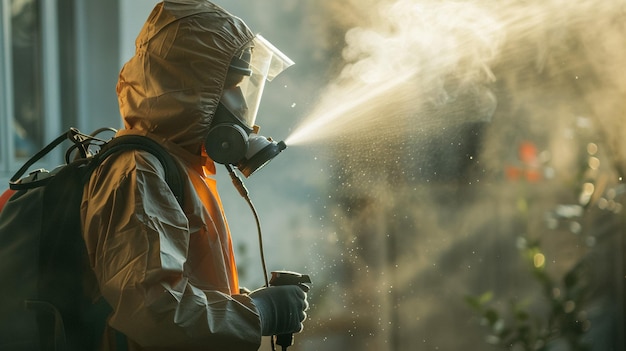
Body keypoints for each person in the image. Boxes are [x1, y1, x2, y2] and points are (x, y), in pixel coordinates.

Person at [80, 1, 308, 350]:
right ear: (188, 87)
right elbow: (156, 313)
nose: (243, 106)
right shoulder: (138, 171)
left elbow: (187, 290)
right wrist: (257, 313)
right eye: (230, 86)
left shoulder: (181, 166)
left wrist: (249, 304)